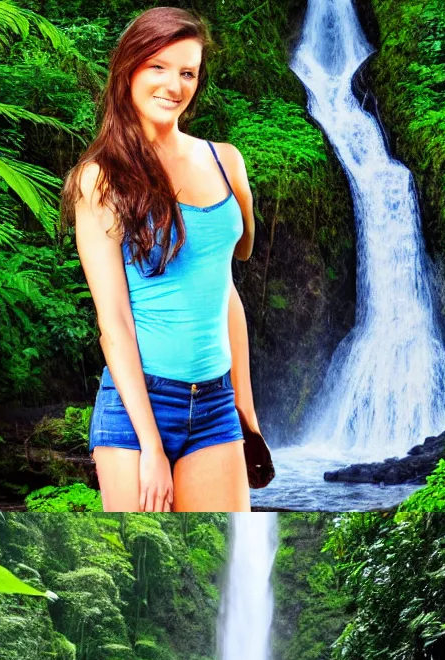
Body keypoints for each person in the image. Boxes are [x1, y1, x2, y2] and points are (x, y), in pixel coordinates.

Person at [62, 8, 262, 512]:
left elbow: (226, 287)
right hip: (136, 407)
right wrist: (151, 447)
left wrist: (247, 412)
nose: (174, 84)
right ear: (129, 68)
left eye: (188, 72)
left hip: (217, 406)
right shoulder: (99, 179)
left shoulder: (226, 161)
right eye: (158, 66)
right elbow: (115, 325)